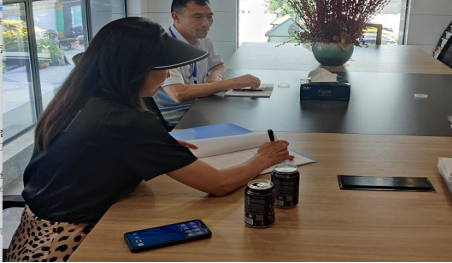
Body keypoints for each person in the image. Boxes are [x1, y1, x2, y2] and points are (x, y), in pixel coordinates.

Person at [7, 18, 292, 262]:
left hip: (31, 235)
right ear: (133, 70)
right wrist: (263, 158)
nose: (167, 75)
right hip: (72, 244)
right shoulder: (126, 121)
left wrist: (154, 148)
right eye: (161, 67)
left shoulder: (76, 98)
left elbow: (92, 152)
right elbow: (219, 185)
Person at [154, 0, 261, 127]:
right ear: (176, 17)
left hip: (198, 108)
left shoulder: (203, 41)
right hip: (173, 120)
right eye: (197, 17)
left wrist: (215, 77)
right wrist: (232, 83)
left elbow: (218, 65)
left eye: (209, 17)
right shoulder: (162, 46)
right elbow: (179, 94)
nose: (206, 23)